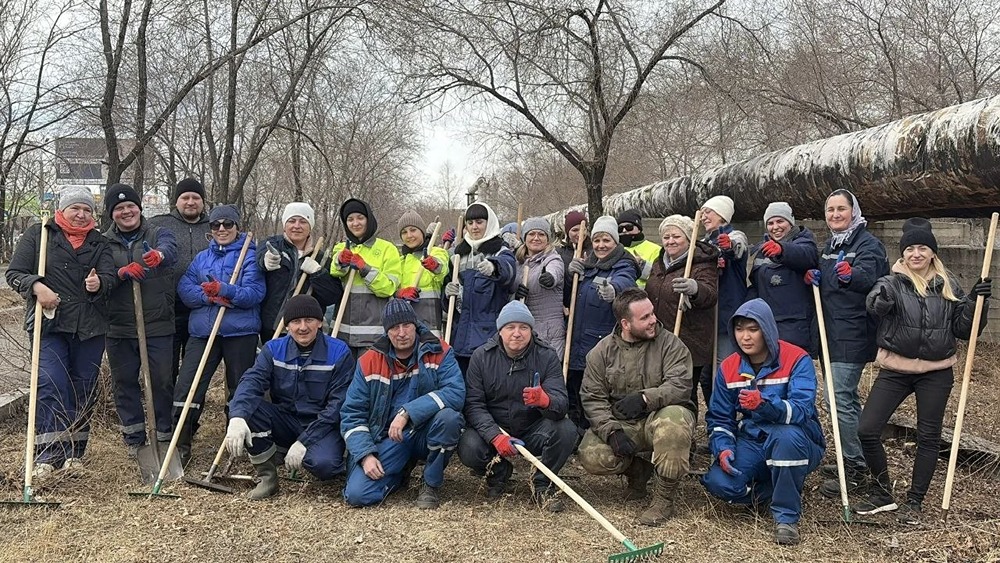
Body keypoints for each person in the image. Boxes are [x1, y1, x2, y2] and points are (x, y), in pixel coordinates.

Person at [855, 219, 991, 523]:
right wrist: (880, 303)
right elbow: (874, 305)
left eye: (922, 248)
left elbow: (964, 330)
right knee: (867, 428)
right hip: (896, 369)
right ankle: (882, 493)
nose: (916, 253)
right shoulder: (891, 282)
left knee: (929, 437)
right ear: (903, 253)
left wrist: (976, 302)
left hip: (936, 372)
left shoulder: (948, 284)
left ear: (932, 252)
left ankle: (914, 502)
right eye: (910, 248)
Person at [6, 187, 117, 477]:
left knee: (83, 389)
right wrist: (36, 286)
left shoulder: (99, 242)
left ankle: (74, 455)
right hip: (50, 325)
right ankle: (48, 455)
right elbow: (14, 273)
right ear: (62, 210)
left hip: (89, 327)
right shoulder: (40, 234)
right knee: (51, 382)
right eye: (75, 208)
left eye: (87, 210)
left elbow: (110, 278)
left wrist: (99, 284)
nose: (81, 215)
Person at [700, 299, 825, 545]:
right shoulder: (729, 367)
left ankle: (786, 518)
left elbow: (801, 410)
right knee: (719, 482)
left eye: (753, 329)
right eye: (739, 329)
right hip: (753, 440)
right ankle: (772, 490)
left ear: (767, 329)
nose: (745, 337)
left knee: (786, 438)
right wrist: (723, 447)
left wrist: (765, 404)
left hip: (798, 439)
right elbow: (719, 418)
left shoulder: (796, 358)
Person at [578, 287, 695, 526]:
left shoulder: (671, 345)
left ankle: (664, 498)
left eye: (652, 313)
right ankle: (638, 471)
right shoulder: (600, 353)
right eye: (645, 317)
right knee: (591, 454)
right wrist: (612, 432)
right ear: (626, 324)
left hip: (660, 417)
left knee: (673, 423)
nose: (653, 320)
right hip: (624, 424)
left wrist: (644, 399)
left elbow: (680, 386)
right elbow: (593, 399)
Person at [225, 295, 355, 499]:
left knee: (325, 465)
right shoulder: (273, 350)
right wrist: (237, 417)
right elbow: (251, 381)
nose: (303, 327)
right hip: (285, 419)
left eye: (309, 320)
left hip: (322, 425)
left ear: (320, 322)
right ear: (287, 326)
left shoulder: (339, 352)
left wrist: (304, 441)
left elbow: (337, 406)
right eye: (296, 321)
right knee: (247, 408)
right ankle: (268, 478)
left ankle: (303, 451)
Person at [805, 189, 889, 498]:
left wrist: (850, 275)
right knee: (841, 400)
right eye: (830, 210)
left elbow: (870, 277)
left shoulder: (868, 244)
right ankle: (853, 456)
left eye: (841, 208)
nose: (835, 214)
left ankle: (856, 468)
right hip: (830, 331)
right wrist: (817, 277)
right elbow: (828, 280)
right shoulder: (831, 245)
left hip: (853, 332)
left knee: (838, 399)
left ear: (854, 211)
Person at [341, 299, 465, 509]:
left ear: (415, 325)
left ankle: (430, 483)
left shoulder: (439, 350)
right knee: (357, 495)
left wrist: (407, 412)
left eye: (406, 325)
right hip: (389, 438)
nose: (401, 333)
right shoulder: (368, 361)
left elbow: (456, 392)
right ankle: (400, 472)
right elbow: (352, 414)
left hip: (425, 430)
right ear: (386, 331)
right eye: (394, 327)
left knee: (449, 419)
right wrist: (365, 455)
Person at [458, 301, 577, 512]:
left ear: (531, 330)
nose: (517, 333)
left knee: (566, 430)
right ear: (500, 330)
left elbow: (561, 404)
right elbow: (473, 405)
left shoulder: (546, 356)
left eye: (523, 327)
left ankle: (542, 483)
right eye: (510, 327)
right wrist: (495, 436)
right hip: (496, 429)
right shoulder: (481, 357)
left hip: (532, 430)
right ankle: (499, 473)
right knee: (468, 445)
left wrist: (546, 401)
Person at [174, 204, 265, 465]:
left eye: (227, 224)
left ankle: (236, 442)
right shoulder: (202, 258)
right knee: (188, 386)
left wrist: (226, 290)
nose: (222, 229)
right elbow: (185, 288)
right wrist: (209, 296)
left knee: (240, 387)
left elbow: (255, 293)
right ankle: (181, 443)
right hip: (203, 332)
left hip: (240, 332)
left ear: (237, 226)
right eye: (216, 225)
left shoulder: (250, 256)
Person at [102, 184, 178, 457]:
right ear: (112, 214)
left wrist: (158, 255)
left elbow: (171, 249)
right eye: (119, 208)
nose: (126, 211)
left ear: (139, 208)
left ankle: (164, 434)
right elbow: (99, 274)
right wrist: (119, 272)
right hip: (119, 326)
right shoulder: (102, 242)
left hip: (157, 323)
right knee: (124, 382)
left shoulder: (157, 232)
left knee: (161, 380)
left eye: (130, 206)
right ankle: (134, 438)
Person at [564, 215, 639, 430]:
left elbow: (626, 281)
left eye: (606, 240)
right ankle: (578, 433)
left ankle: (602, 432)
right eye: (597, 240)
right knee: (576, 393)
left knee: (597, 394)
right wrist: (571, 275)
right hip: (576, 342)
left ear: (616, 241)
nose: (601, 245)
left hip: (602, 345)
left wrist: (613, 290)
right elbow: (570, 297)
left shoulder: (623, 263)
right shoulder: (588, 264)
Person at [644, 215, 719, 417]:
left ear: (688, 238)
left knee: (684, 391)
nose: (670, 241)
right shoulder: (659, 262)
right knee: (661, 386)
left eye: (676, 236)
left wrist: (695, 289)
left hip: (689, 340)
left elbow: (710, 294)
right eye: (666, 237)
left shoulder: (701, 262)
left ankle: (685, 428)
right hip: (661, 338)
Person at [443, 201, 517, 375]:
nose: (474, 227)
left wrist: (495, 267)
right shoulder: (457, 255)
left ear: (489, 223)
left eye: (479, 222)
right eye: (470, 223)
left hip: (489, 338)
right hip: (461, 336)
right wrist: (447, 294)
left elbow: (509, 272)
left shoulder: (500, 251)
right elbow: (448, 301)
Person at [149, 178, 211, 382]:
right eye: (185, 197)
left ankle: (189, 402)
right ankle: (166, 403)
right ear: (176, 201)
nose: (190, 202)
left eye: (196, 197)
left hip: (202, 309)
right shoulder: (159, 224)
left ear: (203, 201)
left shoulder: (215, 226)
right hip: (168, 310)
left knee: (195, 372)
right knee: (166, 370)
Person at [257, 202, 342, 343]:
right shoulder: (272, 246)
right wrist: (265, 261)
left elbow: (332, 296)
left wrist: (317, 273)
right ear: (284, 224)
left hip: (307, 331)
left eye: (303, 221)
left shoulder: (321, 258)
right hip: (272, 328)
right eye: (292, 221)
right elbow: (259, 259)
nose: (297, 226)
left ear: (310, 227)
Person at [330, 198, 402, 358]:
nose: (355, 223)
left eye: (360, 218)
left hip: (373, 335)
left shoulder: (387, 249)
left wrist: (365, 269)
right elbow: (334, 272)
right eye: (350, 219)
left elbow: (388, 288)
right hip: (342, 332)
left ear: (369, 219)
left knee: (369, 373)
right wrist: (340, 261)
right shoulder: (341, 247)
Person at [747, 202, 819, 356]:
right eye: (770, 223)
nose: (775, 227)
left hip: (795, 326)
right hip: (768, 324)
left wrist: (782, 250)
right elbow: (756, 284)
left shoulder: (803, 241)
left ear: (790, 222)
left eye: (780, 221)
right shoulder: (762, 250)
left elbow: (806, 255)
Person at [701, 195, 749, 371]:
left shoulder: (735, 235)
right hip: (706, 315)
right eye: (702, 213)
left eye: (708, 212)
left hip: (726, 312)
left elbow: (738, 248)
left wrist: (729, 246)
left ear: (722, 214)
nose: (703, 217)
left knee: (725, 367)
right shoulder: (703, 243)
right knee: (706, 373)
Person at [514, 217, 566, 355]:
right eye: (532, 234)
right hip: (524, 330)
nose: (536, 238)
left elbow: (555, 271)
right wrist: (515, 295)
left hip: (548, 334)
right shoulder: (518, 263)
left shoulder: (552, 259)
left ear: (547, 239)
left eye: (541, 234)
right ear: (525, 237)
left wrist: (549, 278)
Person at [394, 210, 450, 336]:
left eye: (413, 230)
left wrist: (434, 265)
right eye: (404, 232)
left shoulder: (436, 252)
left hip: (431, 326)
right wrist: (399, 293)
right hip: (405, 329)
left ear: (422, 231)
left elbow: (442, 270)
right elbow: (391, 289)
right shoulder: (400, 261)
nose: (409, 235)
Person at [617, 209, 661, 287]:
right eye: (620, 228)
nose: (624, 230)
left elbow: (660, 277)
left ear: (639, 229)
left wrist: (642, 265)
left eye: (629, 227)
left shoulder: (656, 250)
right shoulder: (614, 249)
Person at [556, 210, 590, 283]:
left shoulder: (594, 250)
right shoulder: (559, 253)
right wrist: (569, 274)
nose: (580, 234)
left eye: (583, 229)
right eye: (575, 230)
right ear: (567, 232)